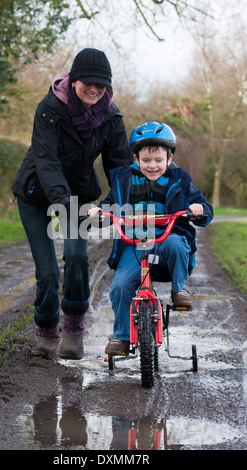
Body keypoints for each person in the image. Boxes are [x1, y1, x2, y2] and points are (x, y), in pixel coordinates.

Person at [12, 48, 133, 361]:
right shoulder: (49, 109)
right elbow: (47, 163)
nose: (94, 89)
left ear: (107, 87)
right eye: (87, 83)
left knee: (78, 258)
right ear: (74, 80)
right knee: (48, 272)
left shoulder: (112, 116)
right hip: (36, 195)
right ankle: (46, 330)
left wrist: (110, 204)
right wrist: (64, 204)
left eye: (101, 85)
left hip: (78, 196)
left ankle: (74, 328)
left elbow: (120, 167)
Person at [88, 121, 214, 356]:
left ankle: (178, 290)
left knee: (178, 244)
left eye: (158, 160)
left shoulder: (179, 179)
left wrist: (198, 209)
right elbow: (110, 204)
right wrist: (99, 212)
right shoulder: (123, 179)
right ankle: (123, 337)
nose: (152, 166)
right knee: (121, 285)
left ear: (169, 157)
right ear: (136, 159)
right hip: (133, 242)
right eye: (146, 160)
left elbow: (203, 206)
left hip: (167, 239)